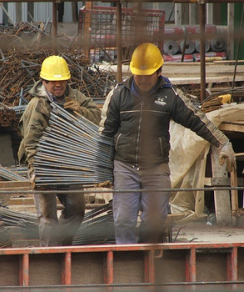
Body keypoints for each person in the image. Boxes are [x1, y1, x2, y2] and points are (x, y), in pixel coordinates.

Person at [99, 43, 236, 244]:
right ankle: (125, 265)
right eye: (139, 74)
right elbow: (105, 135)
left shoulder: (170, 96)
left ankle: (149, 263)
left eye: (149, 74)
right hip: (125, 167)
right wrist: (102, 173)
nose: (144, 79)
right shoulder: (118, 95)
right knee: (123, 221)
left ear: (159, 71)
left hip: (156, 168)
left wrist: (222, 143)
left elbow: (196, 120)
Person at [18, 55, 101, 246]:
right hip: (43, 163)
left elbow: (97, 118)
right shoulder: (37, 106)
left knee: (77, 210)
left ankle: (61, 249)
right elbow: (31, 142)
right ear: (44, 81)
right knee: (48, 218)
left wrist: (81, 111)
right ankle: (49, 257)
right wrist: (35, 171)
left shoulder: (75, 96)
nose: (58, 85)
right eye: (53, 82)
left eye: (61, 81)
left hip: (67, 161)